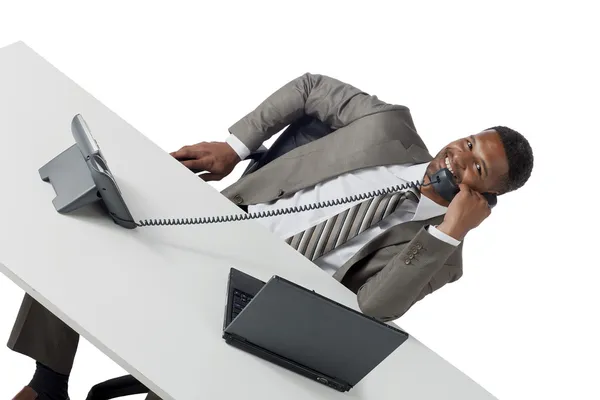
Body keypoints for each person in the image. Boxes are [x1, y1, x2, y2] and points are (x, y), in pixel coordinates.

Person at [9, 73, 533, 400]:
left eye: (478, 168)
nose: (458, 157)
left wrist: (446, 233)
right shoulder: (388, 126)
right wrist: (235, 145)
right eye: (467, 142)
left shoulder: (442, 257)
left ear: (484, 199)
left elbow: (372, 309)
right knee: (85, 231)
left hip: (270, 298)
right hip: (217, 223)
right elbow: (308, 88)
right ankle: (48, 384)